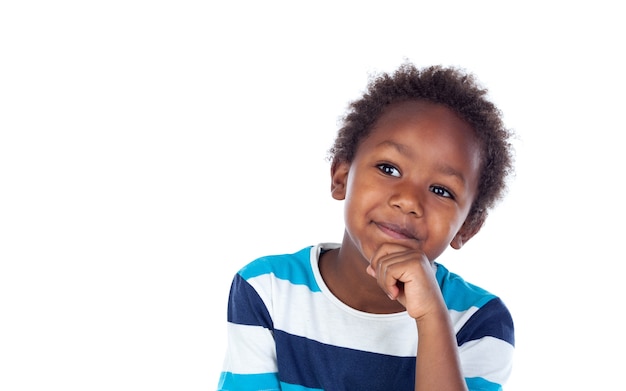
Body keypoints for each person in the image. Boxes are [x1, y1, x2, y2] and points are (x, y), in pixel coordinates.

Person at [217, 63, 515, 391]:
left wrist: (432, 318)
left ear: (468, 228)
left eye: (441, 190)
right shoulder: (268, 289)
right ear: (341, 177)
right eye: (388, 168)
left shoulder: (480, 322)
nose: (408, 200)